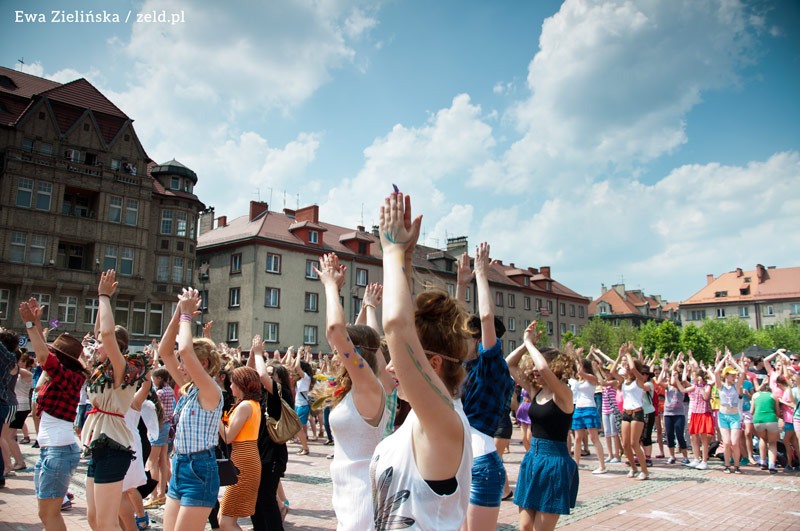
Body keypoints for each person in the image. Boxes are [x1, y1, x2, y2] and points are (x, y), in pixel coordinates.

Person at [370, 191, 473, 529]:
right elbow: (405, 328)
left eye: (398, 358)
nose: (388, 366)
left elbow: (398, 325)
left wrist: (392, 250)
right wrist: (405, 259)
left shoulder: (445, 421)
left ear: (432, 364)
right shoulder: (423, 417)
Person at [314, 252, 388, 530]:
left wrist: (330, 286)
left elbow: (336, 331)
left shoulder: (369, 386)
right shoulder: (354, 387)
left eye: (341, 351)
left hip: (362, 496)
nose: (334, 353)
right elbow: (348, 336)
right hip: (347, 490)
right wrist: (362, 304)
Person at [456, 243, 516, 530]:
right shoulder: (465, 366)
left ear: (479, 341)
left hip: (481, 466)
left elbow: (486, 318)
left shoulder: (491, 366)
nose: (458, 340)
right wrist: (460, 285)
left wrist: (481, 274)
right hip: (460, 462)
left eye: (466, 337)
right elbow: (454, 326)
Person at [81, 270, 146, 531]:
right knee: (93, 518)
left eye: (100, 344)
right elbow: (101, 332)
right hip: (99, 445)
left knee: (106, 522)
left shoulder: (123, 369)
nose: (95, 345)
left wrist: (104, 296)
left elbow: (106, 335)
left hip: (113, 447)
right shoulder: (102, 369)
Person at [18, 298, 90, 529]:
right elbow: (45, 352)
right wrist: (36, 323)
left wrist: (30, 325)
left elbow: (43, 357)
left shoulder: (71, 377)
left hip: (59, 452)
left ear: (62, 360)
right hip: (52, 450)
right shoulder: (61, 374)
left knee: (49, 514)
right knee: (45, 513)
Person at [158, 288, 224, 530]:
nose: (180, 365)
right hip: (180, 465)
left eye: (185, 363)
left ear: (202, 364)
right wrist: (178, 313)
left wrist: (187, 318)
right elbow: (165, 352)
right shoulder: (189, 387)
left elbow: (185, 350)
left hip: (200, 469)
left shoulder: (211, 389)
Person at [507, 321, 578, 531]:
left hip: (554, 464)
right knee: (525, 528)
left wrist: (531, 345)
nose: (535, 371)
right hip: (532, 460)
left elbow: (544, 368)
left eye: (538, 366)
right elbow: (509, 364)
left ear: (555, 367)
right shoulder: (535, 390)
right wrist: (524, 344)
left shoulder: (563, 394)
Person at [247, 340, 293, 531]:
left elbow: (262, 376)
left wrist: (259, 354)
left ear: (279, 379)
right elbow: (247, 375)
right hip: (257, 454)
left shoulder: (281, 395)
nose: (263, 376)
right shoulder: (260, 395)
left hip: (272, 455)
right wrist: (252, 354)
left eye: (271, 374)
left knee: (267, 499)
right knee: (255, 501)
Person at [218, 366, 263, 530]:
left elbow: (228, 436)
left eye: (233, 383)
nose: (230, 386)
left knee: (226, 520)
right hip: (245, 457)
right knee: (225, 517)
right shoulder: (250, 404)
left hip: (244, 459)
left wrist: (215, 414)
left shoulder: (245, 406)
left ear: (241, 385)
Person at [609, 344, 651, 480]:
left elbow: (633, 367)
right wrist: (620, 356)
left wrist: (628, 354)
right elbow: (613, 371)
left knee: (634, 443)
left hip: (637, 413)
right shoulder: (623, 381)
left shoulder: (638, 380)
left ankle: (644, 471)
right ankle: (633, 468)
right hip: (626, 413)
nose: (626, 367)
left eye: (627, 366)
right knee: (625, 444)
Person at [571, 355, 607, 474]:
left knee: (594, 437)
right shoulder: (578, 380)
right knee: (577, 439)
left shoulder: (591, 377)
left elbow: (581, 372)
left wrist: (577, 358)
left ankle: (602, 465)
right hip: (578, 408)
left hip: (589, 407)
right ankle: (575, 463)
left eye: (580, 365)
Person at [674, 364, 714, 470]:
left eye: (695, 376)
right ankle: (696, 459)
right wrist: (676, 380)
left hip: (704, 414)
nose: (693, 378)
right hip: (695, 414)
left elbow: (706, 397)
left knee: (704, 438)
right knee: (694, 436)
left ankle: (704, 460)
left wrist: (702, 386)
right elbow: (683, 390)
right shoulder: (694, 386)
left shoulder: (707, 386)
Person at [145, 367, 175, 508]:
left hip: (159, 426)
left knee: (153, 462)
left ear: (159, 378)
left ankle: (154, 495)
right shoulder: (170, 390)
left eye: (155, 378)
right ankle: (162, 494)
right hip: (167, 426)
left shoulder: (159, 393)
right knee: (163, 461)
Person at [713, 352, 745, 474]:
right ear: (726, 376)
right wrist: (723, 359)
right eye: (731, 375)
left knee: (735, 442)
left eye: (733, 375)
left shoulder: (736, 386)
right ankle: (727, 465)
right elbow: (716, 372)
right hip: (723, 415)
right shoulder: (720, 386)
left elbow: (742, 372)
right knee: (726, 442)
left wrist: (732, 361)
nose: (733, 377)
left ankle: (736, 466)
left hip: (734, 416)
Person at [751, 377, 781, 473]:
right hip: (771, 419)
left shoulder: (755, 395)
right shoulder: (773, 396)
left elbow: (751, 411)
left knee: (762, 439)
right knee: (772, 442)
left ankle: (763, 462)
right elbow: (777, 412)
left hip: (758, 420)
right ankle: (772, 465)